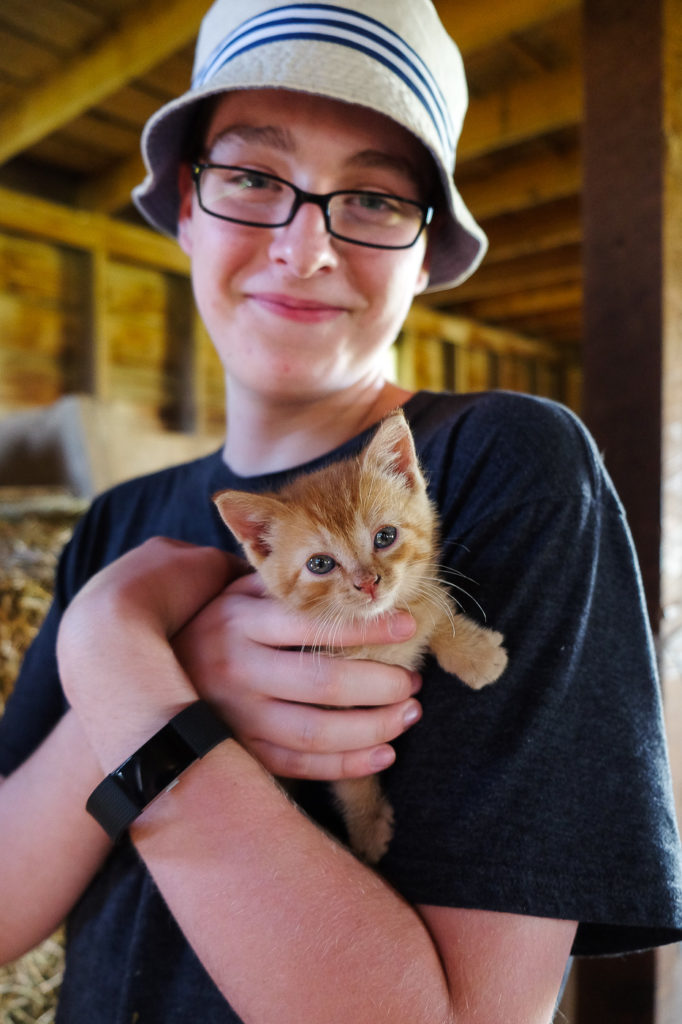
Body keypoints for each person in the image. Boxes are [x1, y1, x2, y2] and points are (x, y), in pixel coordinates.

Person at [1, 0, 681, 1020]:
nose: (305, 246)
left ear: (426, 253)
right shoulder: (116, 521)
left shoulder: (505, 464)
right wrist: (148, 666)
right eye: (250, 177)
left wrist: (133, 672)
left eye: (370, 198)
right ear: (187, 205)